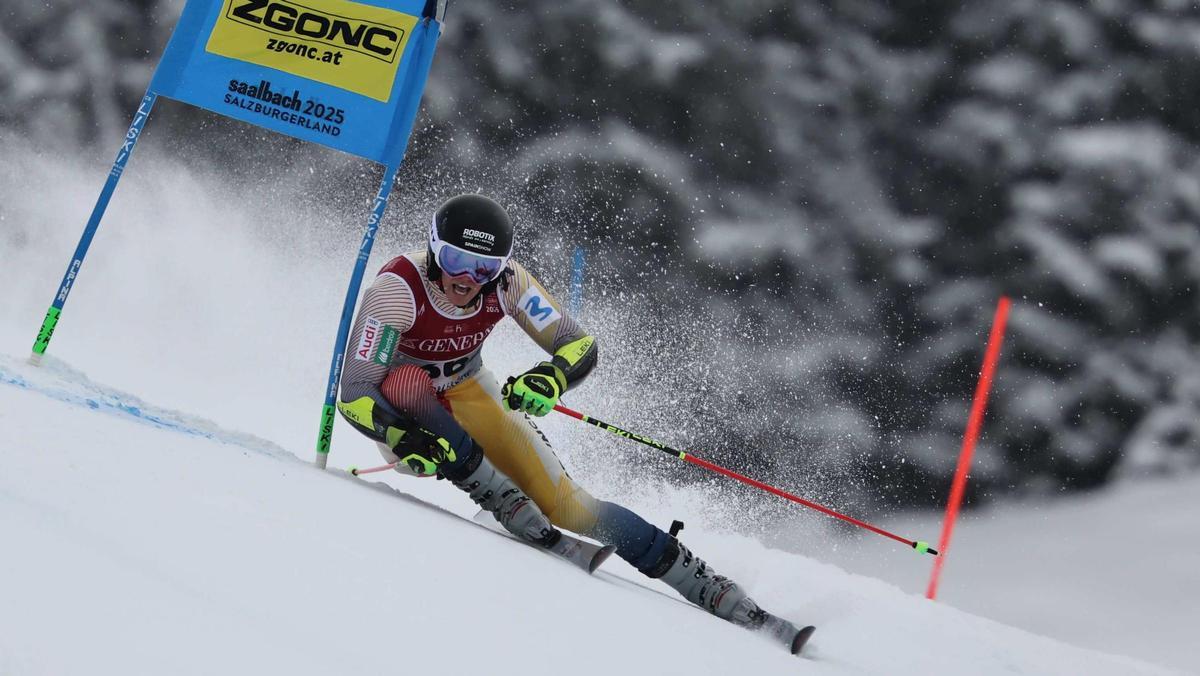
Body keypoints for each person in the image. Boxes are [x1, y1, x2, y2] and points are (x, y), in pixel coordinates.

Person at [337, 193, 808, 651]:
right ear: (434, 252)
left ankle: (709, 586)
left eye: (484, 267)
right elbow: (356, 393)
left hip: (468, 388)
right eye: (457, 261)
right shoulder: (398, 291)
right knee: (405, 383)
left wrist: (551, 378)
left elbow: (578, 345)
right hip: (400, 413)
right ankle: (498, 498)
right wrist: (400, 435)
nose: (468, 280)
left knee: (569, 507)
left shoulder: (507, 285)